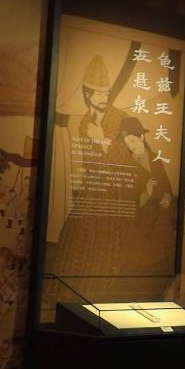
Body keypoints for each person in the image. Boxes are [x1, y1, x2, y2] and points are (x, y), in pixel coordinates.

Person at [49, 54, 133, 275]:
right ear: (87, 94)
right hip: (91, 187)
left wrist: (103, 141)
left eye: (106, 93)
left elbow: (129, 158)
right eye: (98, 93)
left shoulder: (121, 118)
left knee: (106, 243)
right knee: (76, 235)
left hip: (114, 191)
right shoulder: (85, 122)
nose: (104, 97)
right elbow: (87, 159)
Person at [120, 117, 175, 273]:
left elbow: (166, 184)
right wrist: (146, 193)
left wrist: (167, 197)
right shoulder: (127, 164)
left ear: (142, 137)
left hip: (160, 214)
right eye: (127, 142)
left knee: (163, 261)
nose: (130, 146)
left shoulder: (155, 158)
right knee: (140, 261)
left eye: (133, 140)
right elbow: (127, 197)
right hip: (141, 217)